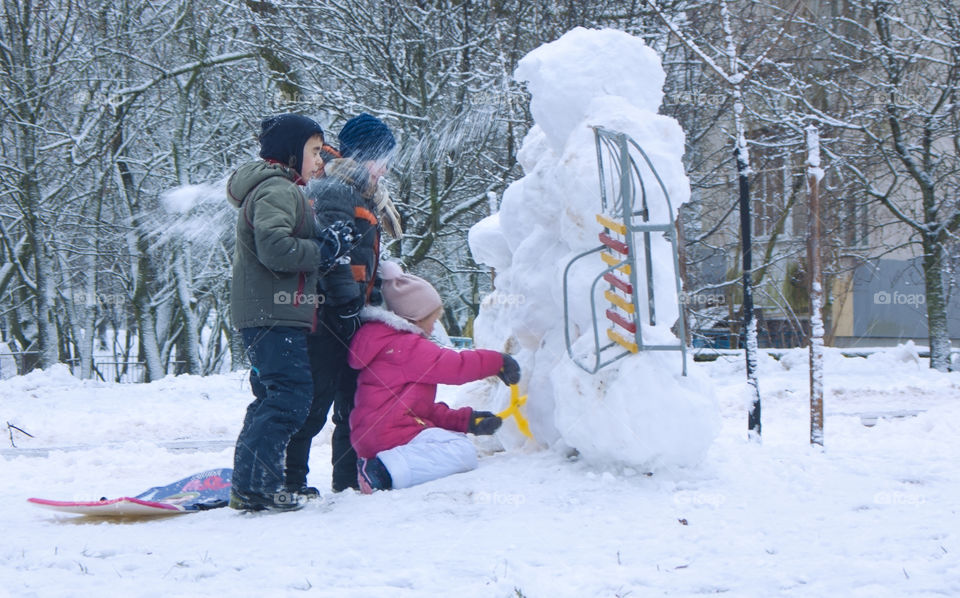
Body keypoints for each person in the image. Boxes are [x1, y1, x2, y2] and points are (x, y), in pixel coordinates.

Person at [226, 113, 355, 512]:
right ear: (290, 151)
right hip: (272, 313)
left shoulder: (280, 189)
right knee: (289, 398)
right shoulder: (277, 190)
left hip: (272, 311)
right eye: (314, 151)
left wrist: (320, 240)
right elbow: (276, 250)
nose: (320, 160)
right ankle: (258, 487)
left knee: (274, 396)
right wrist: (324, 250)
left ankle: (255, 483)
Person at [287, 113, 402, 493]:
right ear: (364, 154)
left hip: (352, 314)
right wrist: (349, 305)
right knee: (316, 403)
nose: (386, 169)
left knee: (352, 406)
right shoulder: (335, 189)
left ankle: (347, 481)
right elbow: (334, 256)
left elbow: (360, 257)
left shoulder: (361, 192)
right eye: (382, 158)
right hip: (327, 316)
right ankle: (289, 480)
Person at [347, 265, 522, 493]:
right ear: (414, 319)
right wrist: (496, 362)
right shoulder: (405, 346)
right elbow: (454, 367)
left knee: (453, 440)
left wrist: (466, 421)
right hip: (390, 436)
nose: (432, 328)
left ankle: (382, 466)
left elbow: (422, 411)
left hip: (382, 435)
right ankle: (382, 472)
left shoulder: (390, 345)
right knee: (463, 452)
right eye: (431, 320)